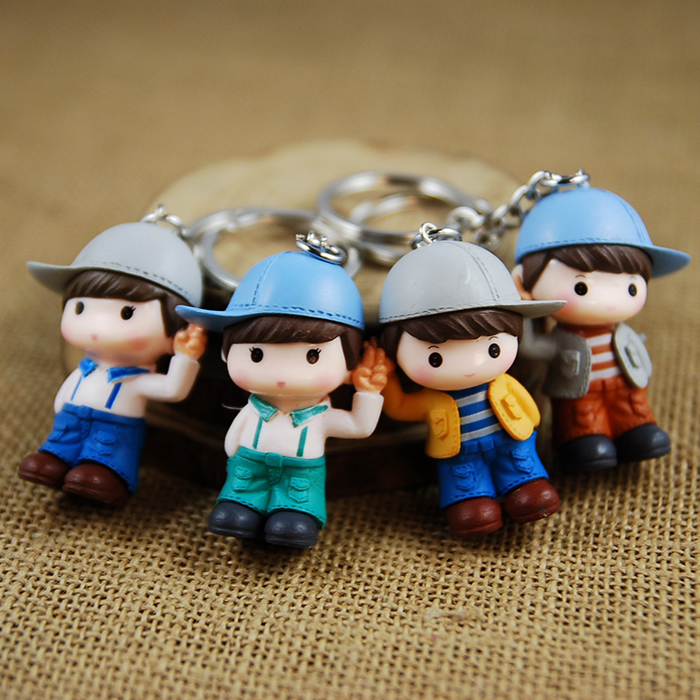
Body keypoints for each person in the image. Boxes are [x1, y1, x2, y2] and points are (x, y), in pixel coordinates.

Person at [177, 234, 387, 548]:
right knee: (236, 508)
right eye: (256, 354)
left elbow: (359, 426)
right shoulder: (254, 408)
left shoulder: (322, 417)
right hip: (248, 468)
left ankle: (294, 515)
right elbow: (232, 441)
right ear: (226, 354)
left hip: (301, 477)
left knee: (292, 520)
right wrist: (234, 455)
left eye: (312, 355)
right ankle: (240, 505)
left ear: (350, 365)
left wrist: (368, 392)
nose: (282, 377)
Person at [378, 226, 564, 538]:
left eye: (492, 349)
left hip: (511, 443)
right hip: (460, 456)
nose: (469, 367)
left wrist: (529, 424)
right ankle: (472, 500)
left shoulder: (503, 382)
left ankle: (526, 485)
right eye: (435, 358)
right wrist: (384, 379)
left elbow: (531, 412)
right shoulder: (432, 398)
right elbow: (398, 407)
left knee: (525, 477)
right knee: (468, 492)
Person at [20, 219, 207, 506]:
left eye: (126, 313)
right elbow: (65, 393)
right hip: (70, 421)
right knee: (57, 448)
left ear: (177, 329)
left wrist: (186, 356)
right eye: (81, 307)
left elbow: (173, 389)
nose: (98, 327)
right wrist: (62, 409)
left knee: (106, 458)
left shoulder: (138, 379)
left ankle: (108, 474)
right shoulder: (86, 368)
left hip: (115, 429)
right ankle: (56, 459)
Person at [511, 186, 690, 471]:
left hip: (626, 389)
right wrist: (523, 312)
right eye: (581, 287)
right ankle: (581, 437)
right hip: (580, 395)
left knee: (633, 409)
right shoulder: (561, 339)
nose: (607, 301)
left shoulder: (620, 332)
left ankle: (635, 428)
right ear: (523, 283)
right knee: (581, 419)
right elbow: (531, 348)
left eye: (631, 287)